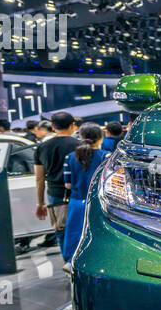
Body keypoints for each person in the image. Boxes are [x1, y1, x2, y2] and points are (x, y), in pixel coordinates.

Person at [61, 123, 108, 263]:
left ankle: (71, 262)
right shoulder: (106, 156)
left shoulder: (70, 157)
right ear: (100, 139)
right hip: (97, 202)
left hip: (76, 202)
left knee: (74, 232)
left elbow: (67, 184)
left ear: (80, 137)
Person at [34, 112, 79, 248]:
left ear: (52, 126)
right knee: (79, 228)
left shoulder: (42, 147)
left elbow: (39, 178)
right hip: (78, 193)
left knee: (60, 229)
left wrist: (40, 203)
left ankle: (66, 260)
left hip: (55, 195)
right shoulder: (80, 146)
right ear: (72, 125)